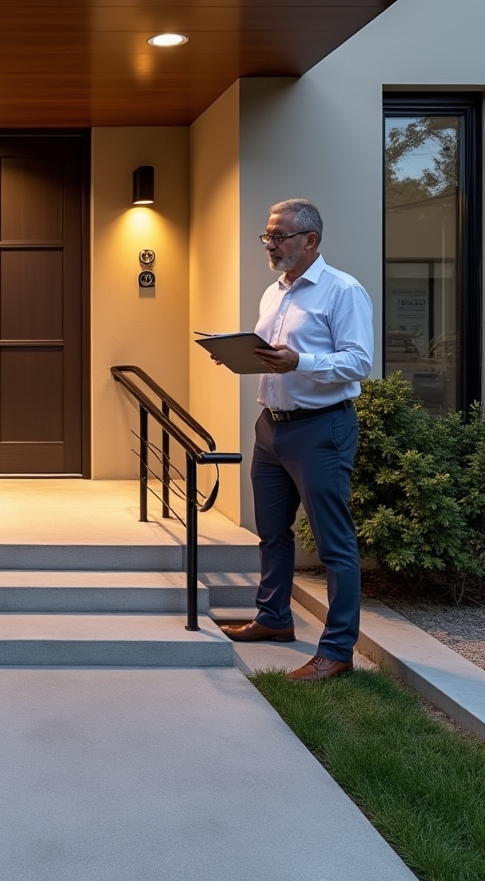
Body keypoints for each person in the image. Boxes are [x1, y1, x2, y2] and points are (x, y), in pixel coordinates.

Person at [222, 199, 373, 682]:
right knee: (271, 534)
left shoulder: (342, 291)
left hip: (321, 427)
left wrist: (300, 363)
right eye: (267, 235)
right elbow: (273, 355)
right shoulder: (275, 293)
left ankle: (337, 649)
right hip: (271, 427)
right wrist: (237, 355)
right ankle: (273, 619)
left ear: (310, 240)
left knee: (335, 545)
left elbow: (358, 362)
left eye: (279, 236)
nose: (270, 243)